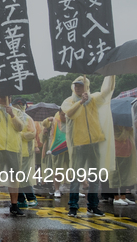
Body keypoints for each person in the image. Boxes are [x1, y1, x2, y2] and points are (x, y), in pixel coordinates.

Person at [62, 76, 115, 217]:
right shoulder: (69, 101)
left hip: (94, 142)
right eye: (76, 85)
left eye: (81, 85)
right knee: (76, 176)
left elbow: (106, 92)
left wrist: (111, 74)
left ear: (86, 86)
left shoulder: (93, 99)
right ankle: (73, 206)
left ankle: (93, 205)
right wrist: (81, 102)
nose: (77, 87)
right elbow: (69, 114)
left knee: (94, 176)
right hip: (79, 143)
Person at [0, 95, 26, 218]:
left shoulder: (17, 111)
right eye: (1, 94)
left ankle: (14, 205)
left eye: (6, 94)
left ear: (10, 97)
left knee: (14, 178)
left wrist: (12, 114)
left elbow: (20, 127)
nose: (3, 96)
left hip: (13, 148)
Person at [12, 98, 38, 208]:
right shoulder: (11, 117)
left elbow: (32, 133)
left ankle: (31, 197)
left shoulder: (28, 119)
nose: (19, 107)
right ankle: (21, 199)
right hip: (13, 151)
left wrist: (20, 135)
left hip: (25, 152)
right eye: (16, 104)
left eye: (21, 104)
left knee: (23, 176)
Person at [103, 125, 137, 205]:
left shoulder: (126, 119)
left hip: (126, 149)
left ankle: (123, 196)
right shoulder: (113, 121)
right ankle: (116, 197)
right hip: (116, 149)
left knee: (124, 174)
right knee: (115, 174)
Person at [42, 109, 69, 198]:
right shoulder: (55, 120)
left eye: (65, 114)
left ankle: (74, 189)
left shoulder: (71, 119)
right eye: (62, 114)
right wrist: (48, 120)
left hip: (69, 146)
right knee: (57, 168)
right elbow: (44, 124)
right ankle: (56, 189)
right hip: (57, 146)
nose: (64, 116)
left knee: (73, 167)